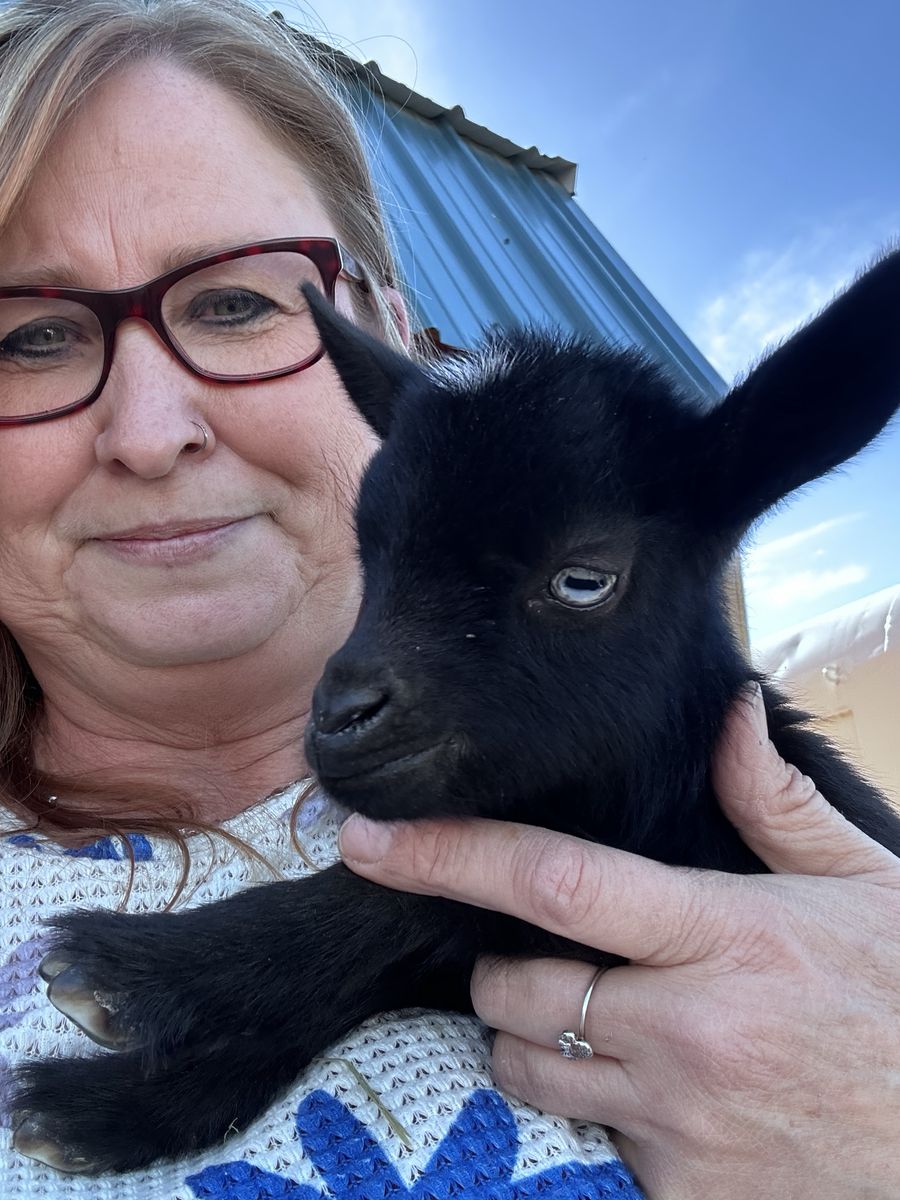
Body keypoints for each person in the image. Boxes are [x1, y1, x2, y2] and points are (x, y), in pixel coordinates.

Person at [0, 2, 896, 1198]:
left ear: (381, 326)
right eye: (26, 337)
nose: (152, 434)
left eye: (236, 302)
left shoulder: (834, 884)